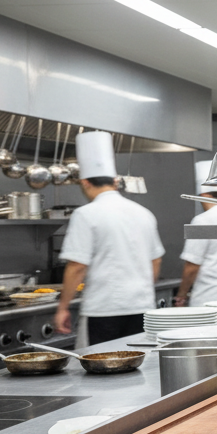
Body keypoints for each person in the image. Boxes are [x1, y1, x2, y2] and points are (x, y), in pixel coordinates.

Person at [56, 131, 164, 346]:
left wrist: (63, 307)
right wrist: (139, 291)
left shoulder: (86, 214)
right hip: (142, 307)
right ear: (115, 182)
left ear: (85, 183)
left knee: (99, 368)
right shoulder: (143, 212)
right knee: (137, 364)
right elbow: (156, 260)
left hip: (104, 309)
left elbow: (77, 266)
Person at [174, 162, 217, 307]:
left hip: (210, 296)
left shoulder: (202, 220)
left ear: (203, 195)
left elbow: (192, 266)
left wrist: (181, 295)